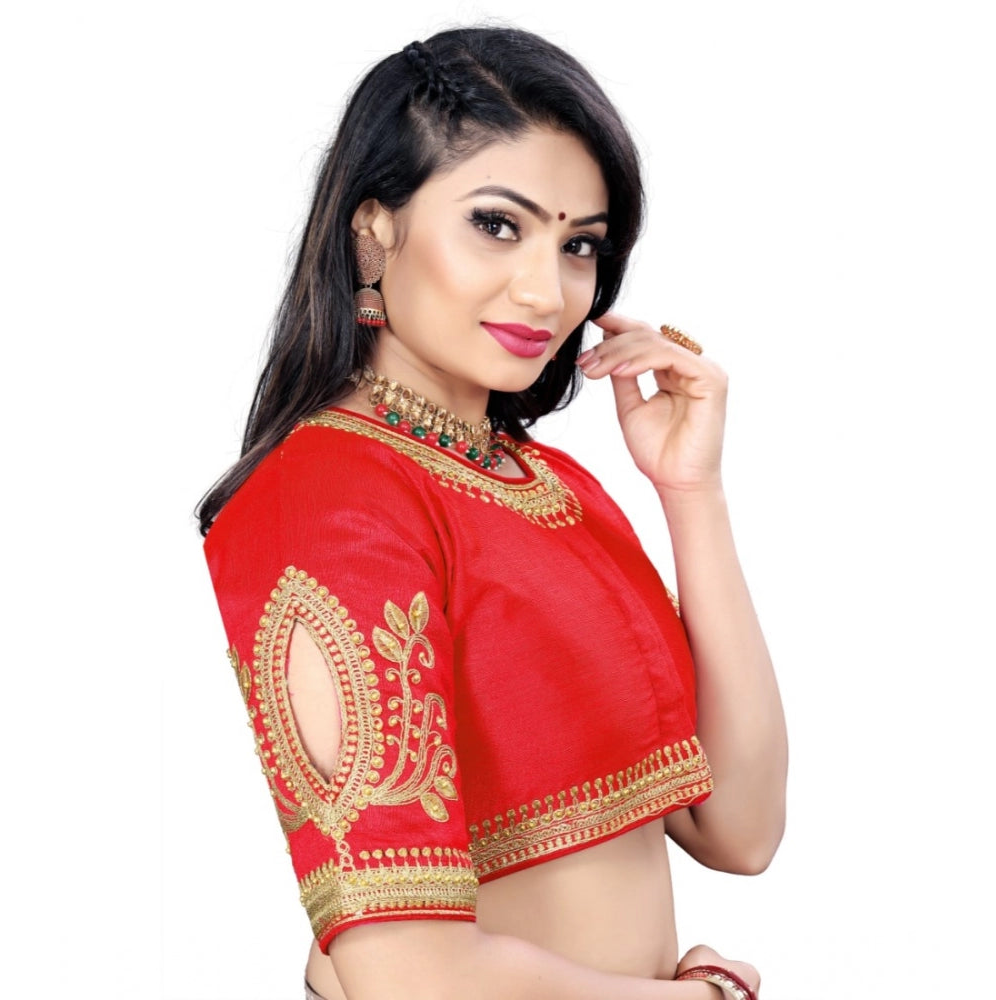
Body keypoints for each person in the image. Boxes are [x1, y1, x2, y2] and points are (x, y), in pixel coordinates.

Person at [199, 26, 787, 1000]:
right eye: (497, 225)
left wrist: (693, 494)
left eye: (579, 244)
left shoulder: (551, 486)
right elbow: (408, 974)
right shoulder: (326, 500)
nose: (546, 291)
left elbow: (741, 828)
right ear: (373, 230)